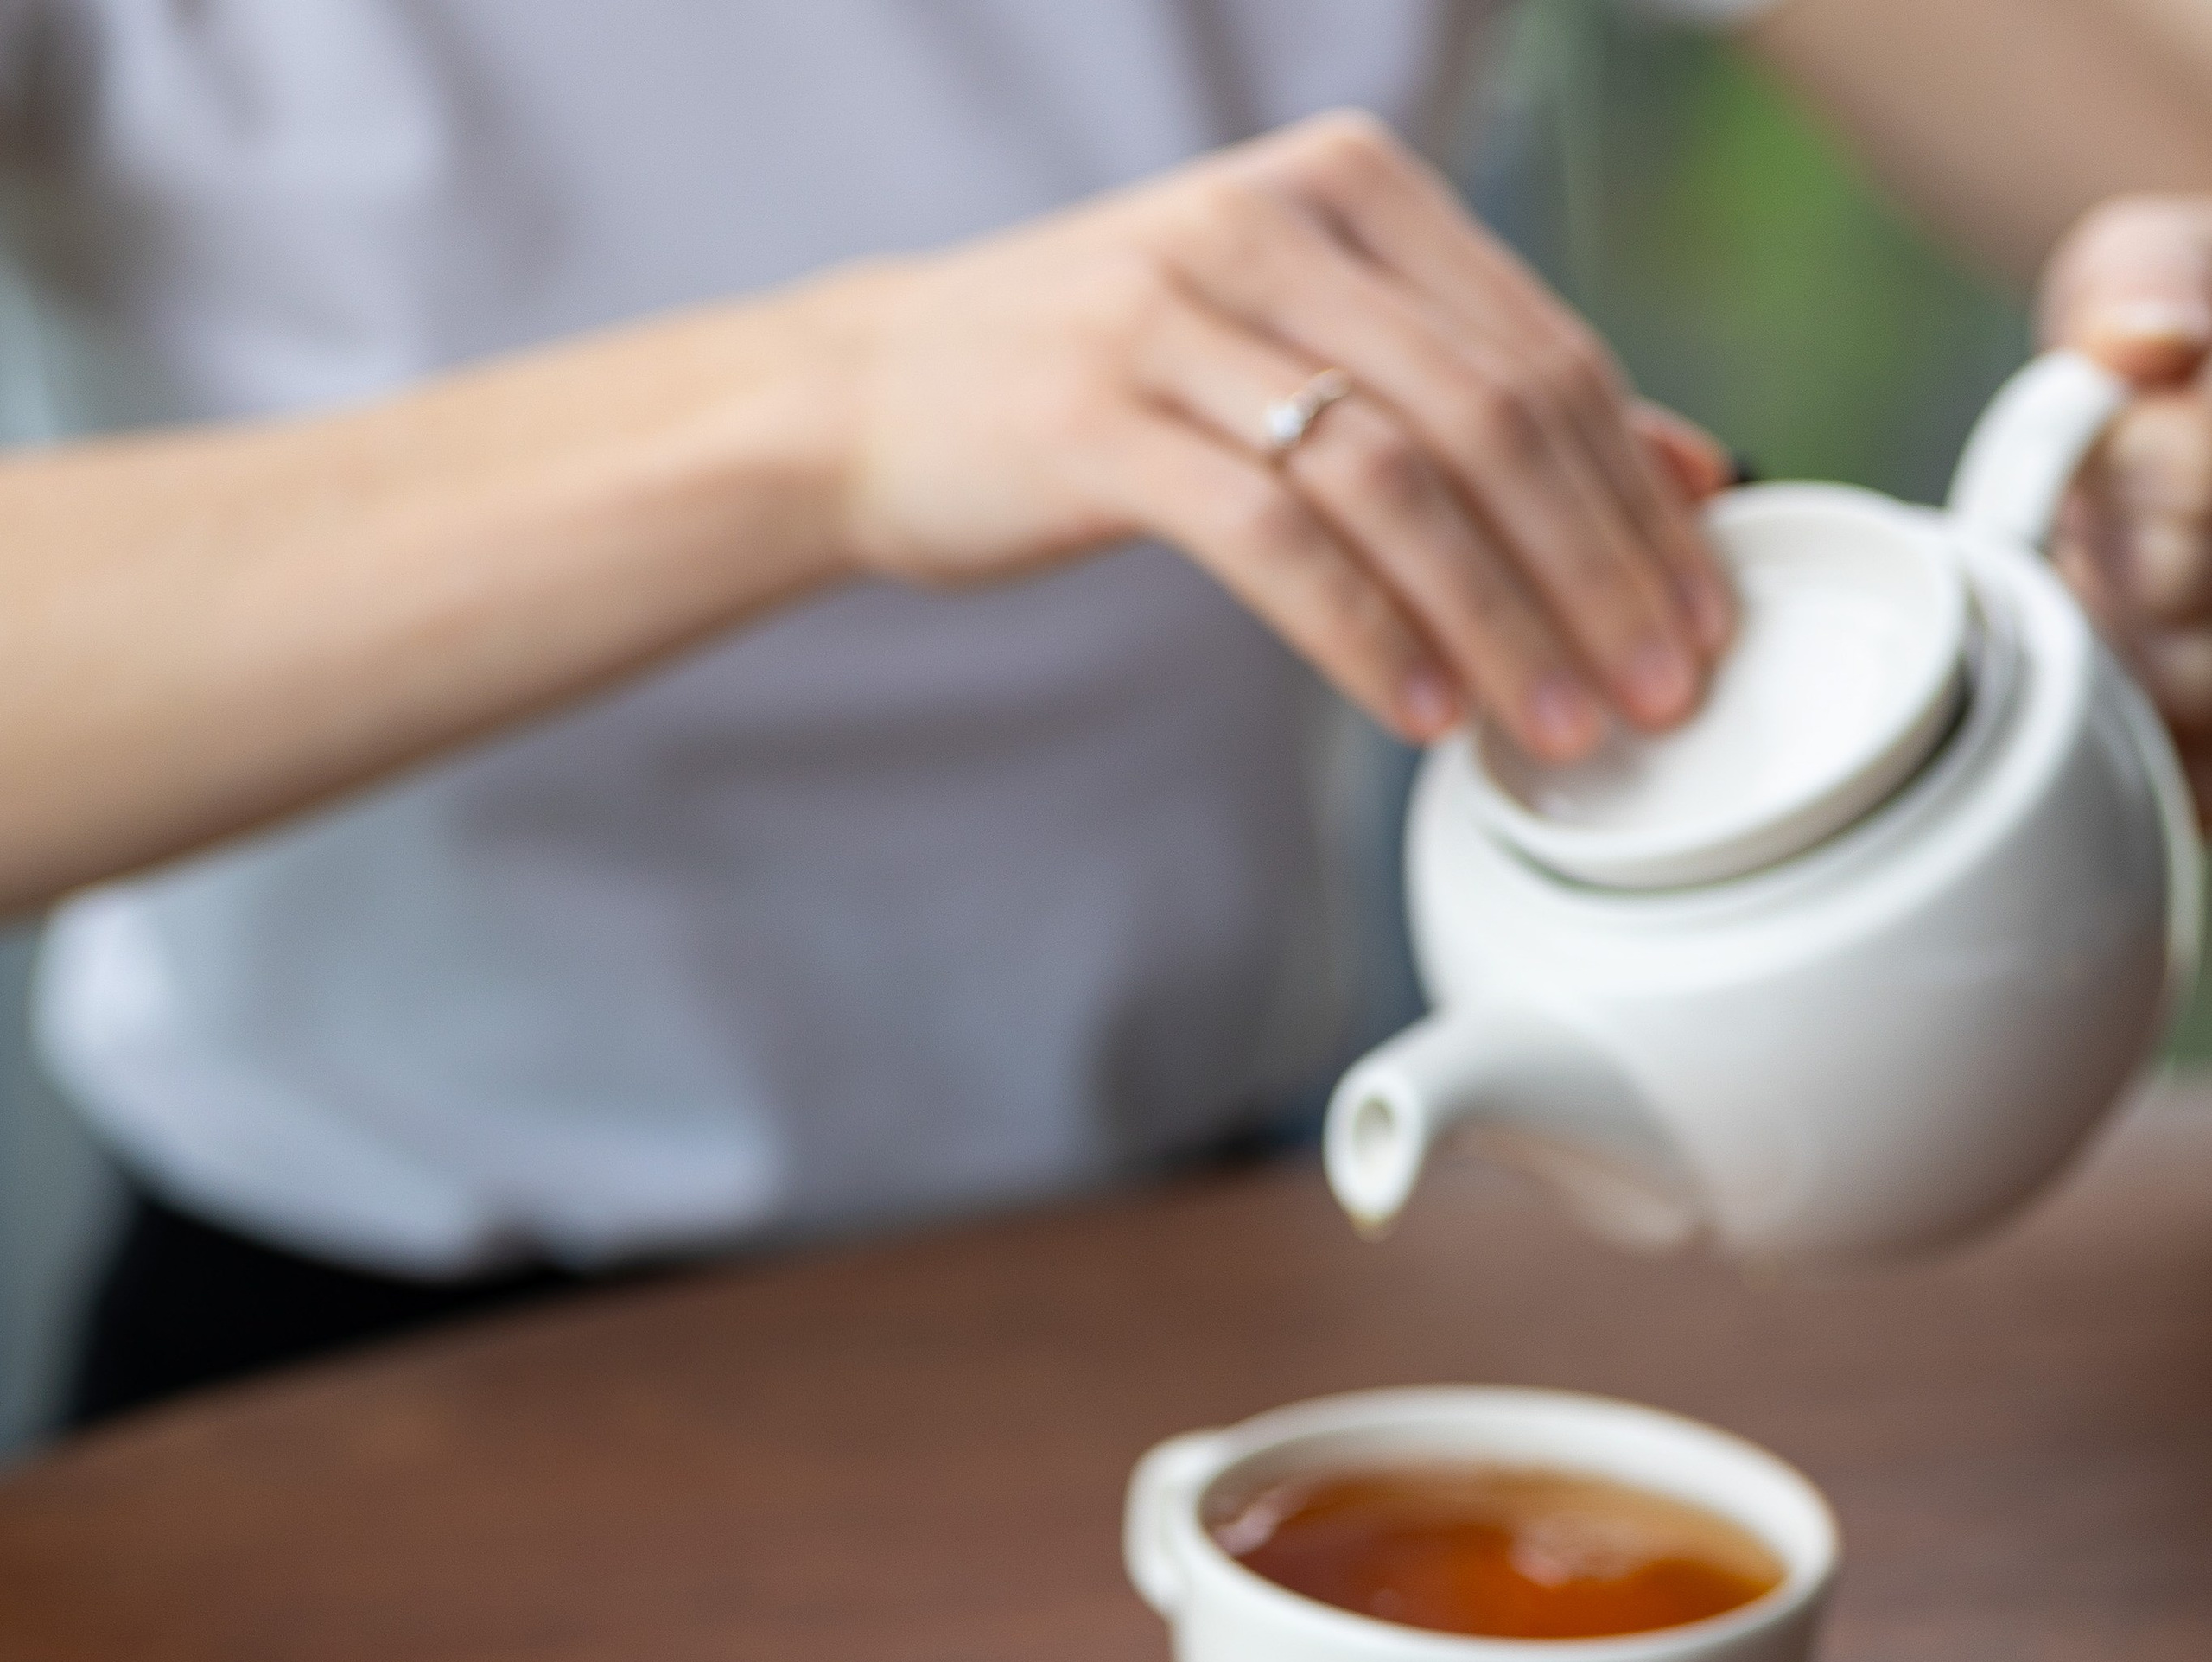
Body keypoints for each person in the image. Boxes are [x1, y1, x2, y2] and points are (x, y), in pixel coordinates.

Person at [0, 1, 2206, 1418]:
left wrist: (2165, 382)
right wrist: (832, 413)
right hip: (344, 1356)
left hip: (1203, 1278)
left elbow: (2148, 163)